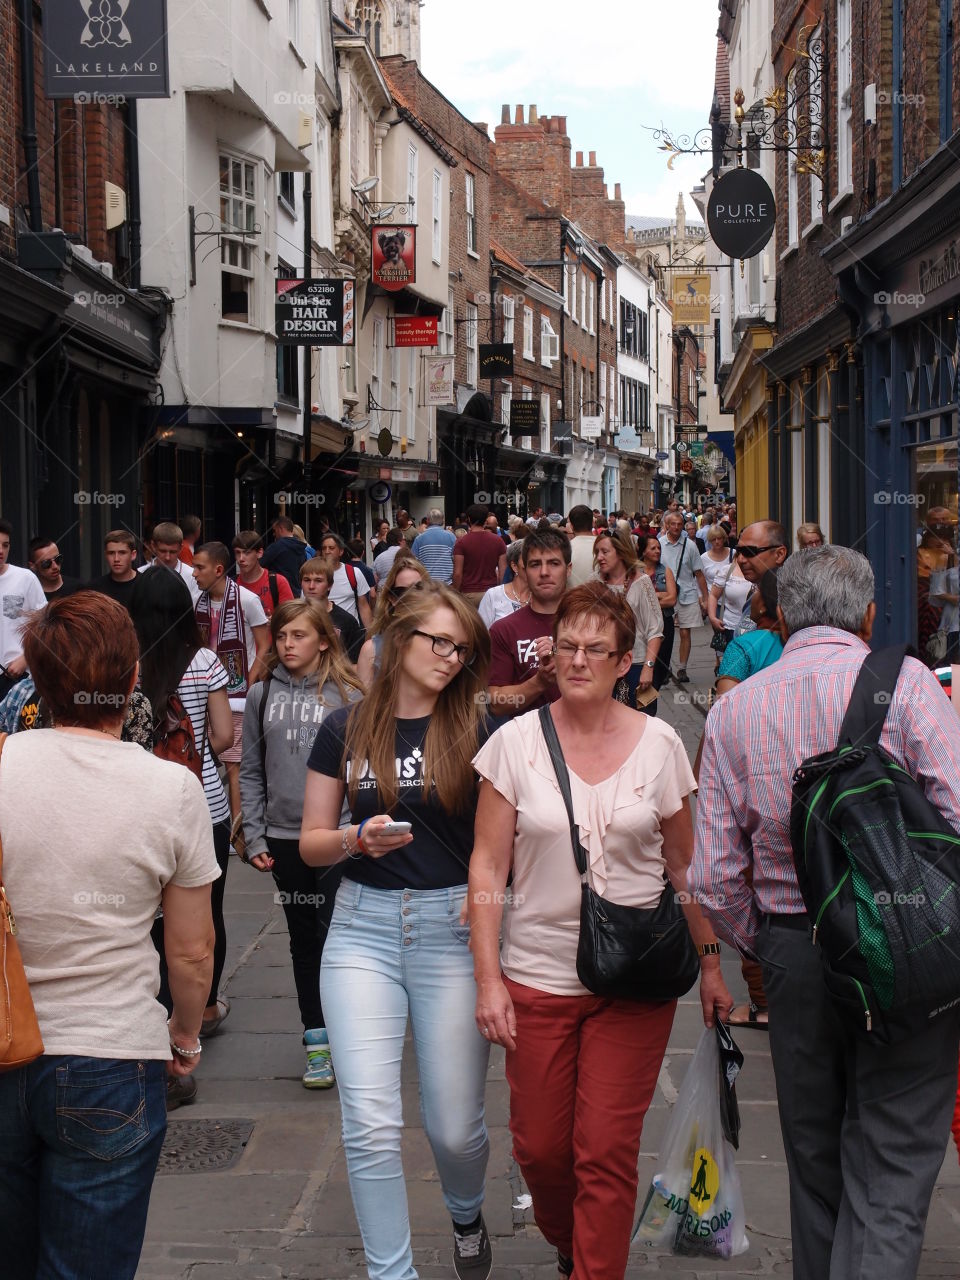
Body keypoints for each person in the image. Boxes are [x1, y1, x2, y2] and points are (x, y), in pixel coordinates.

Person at [692, 545, 960, 1280]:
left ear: (780, 618)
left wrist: (773, 943)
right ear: (869, 613)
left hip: (795, 951)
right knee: (895, 1157)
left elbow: (713, 877)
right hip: (906, 949)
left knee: (813, 1157)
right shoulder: (905, 686)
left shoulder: (735, 709)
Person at [469, 582, 732, 1280]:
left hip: (636, 978)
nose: (577, 659)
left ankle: (593, 1265)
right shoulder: (514, 745)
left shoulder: (662, 744)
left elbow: (685, 863)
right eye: (567, 647)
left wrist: (710, 963)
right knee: (544, 1151)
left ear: (625, 662)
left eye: (595, 649)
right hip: (537, 975)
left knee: (606, 1151)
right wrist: (488, 978)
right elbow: (488, 864)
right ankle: (570, 1240)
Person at [0, 592, 218, 1278]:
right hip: (110, 1058)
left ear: (34, 680)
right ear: (131, 681)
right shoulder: (170, 790)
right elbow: (190, 950)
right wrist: (184, 1038)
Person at [300, 582, 495, 1280]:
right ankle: (394, 1273)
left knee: (454, 1128)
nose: (450, 656)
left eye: (461, 647)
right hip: (361, 932)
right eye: (437, 641)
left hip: (452, 932)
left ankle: (467, 1213)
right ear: (398, 640)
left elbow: (499, 847)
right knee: (371, 1125)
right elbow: (311, 843)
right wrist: (355, 837)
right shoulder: (344, 728)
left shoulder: (478, 730)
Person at [239, 599, 364, 1088]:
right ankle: (317, 1043)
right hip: (283, 837)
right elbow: (250, 769)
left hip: (339, 836)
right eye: (282, 636)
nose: (288, 645)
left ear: (324, 640)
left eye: (299, 635)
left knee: (342, 938)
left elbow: (369, 766)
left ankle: (351, 1035)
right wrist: (253, 834)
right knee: (303, 941)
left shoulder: (350, 692)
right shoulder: (261, 693)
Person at [131, 566, 235, 1061]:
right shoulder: (205, 660)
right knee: (205, 909)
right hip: (203, 802)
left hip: (141, 805)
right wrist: (199, 757)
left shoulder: (128, 663)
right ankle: (204, 1007)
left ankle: (158, 1005)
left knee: (149, 914)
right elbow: (222, 734)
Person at [700, 572, 786, 1032]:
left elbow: (723, 706)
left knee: (752, 881)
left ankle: (765, 999)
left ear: (764, 606)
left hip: (751, 782)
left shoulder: (746, 647)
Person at [192, 543, 270, 836]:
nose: (195, 574)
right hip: (202, 694)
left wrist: (248, 685)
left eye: (200, 568)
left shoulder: (247, 601)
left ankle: (235, 831)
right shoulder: (195, 600)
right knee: (202, 758)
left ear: (218, 570)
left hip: (235, 697)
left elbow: (264, 645)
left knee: (234, 767)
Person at [487, 529, 570, 718]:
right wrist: (540, 682)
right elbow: (496, 703)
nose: (544, 572)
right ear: (524, 571)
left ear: (569, 568)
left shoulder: (589, 624)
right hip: (526, 741)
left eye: (554, 563)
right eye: (534, 565)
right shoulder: (503, 630)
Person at [594, 529, 663, 712]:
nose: (600, 557)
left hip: (636, 666)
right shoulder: (595, 584)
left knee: (641, 725)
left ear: (620, 551)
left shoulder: (642, 583)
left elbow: (655, 630)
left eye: (605, 552)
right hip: (604, 666)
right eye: (597, 552)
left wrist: (648, 667)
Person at [356, 555, 429, 686]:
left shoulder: (444, 642)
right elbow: (364, 703)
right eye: (401, 591)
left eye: (418, 588)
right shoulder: (371, 650)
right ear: (392, 598)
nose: (410, 597)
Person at [657, 512, 708, 683]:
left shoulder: (690, 546)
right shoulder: (660, 545)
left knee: (685, 632)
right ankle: (663, 668)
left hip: (687, 593)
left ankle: (682, 668)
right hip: (665, 594)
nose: (677, 527)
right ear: (667, 525)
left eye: (679, 524)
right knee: (663, 633)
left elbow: (699, 573)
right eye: (673, 524)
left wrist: (705, 598)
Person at [0, 518, 47, 701]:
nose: (1, 551)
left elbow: (44, 624)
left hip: (17, 676)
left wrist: (25, 659)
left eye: (5, 545)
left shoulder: (25, 578)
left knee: (17, 729)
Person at [300, 558, 365, 663]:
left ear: (329, 585)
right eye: (307, 580)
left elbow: (354, 665)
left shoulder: (347, 621)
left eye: (318, 581)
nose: (311, 586)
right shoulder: (292, 617)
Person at [639, 534, 678, 699]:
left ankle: (649, 698)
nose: (657, 551)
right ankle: (646, 702)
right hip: (642, 624)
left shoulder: (665, 571)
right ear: (643, 551)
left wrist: (649, 600)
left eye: (659, 548)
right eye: (653, 548)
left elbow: (672, 599)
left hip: (664, 623)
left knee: (662, 665)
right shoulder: (635, 572)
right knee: (645, 662)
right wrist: (660, 595)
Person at [706, 545, 753, 666]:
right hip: (730, 628)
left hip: (755, 629)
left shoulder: (759, 570)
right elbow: (713, 595)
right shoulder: (727, 571)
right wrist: (712, 617)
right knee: (733, 665)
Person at [452, 504, 507, 607]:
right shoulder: (498, 541)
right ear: (486, 520)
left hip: (468, 593)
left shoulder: (461, 542)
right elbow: (502, 572)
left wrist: (455, 593)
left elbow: (457, 573)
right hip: (491, 593)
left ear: (468, 519)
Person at [232, 531, 295, 617]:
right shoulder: (231, 585)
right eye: (237, 553)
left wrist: (274, 621)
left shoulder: (278, 581)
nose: (241, 558)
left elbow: (290, 617)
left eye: (247, 552)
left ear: (259, 553)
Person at [319, 532, 373, 629]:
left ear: (341, 551)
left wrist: (370, 635)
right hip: (322, 632)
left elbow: (364, 606)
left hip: (350, 634)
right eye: (324, 548)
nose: (327, 551)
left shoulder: (354, 573)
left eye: (331, 548)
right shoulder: (313, 576)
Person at [137, 521, 201, 602]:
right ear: (153, 546)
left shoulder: (192, 576)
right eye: (163, 551)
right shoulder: (140, 573)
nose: (167, 557)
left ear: (181, 548)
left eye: (172, 552)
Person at [477, 541, 530, 629]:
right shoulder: (493, 595)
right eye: (528, 560)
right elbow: (481, 633)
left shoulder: (542, 595)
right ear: (514, 566)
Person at [91, 528, 140, 610]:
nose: (116, 559)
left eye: (122, 553)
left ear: (133, 555)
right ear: (105, 555)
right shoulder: (95, 589)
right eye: (111, 553)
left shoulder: (146, 587)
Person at [261, 515, 308, 596]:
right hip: (297, 593)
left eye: (274, 530)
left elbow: (260, 565)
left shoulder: (277, 546)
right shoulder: (302, 549)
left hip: (279, 593)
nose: (273, 534)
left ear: (281, 529)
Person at [412, 507, 457, 585]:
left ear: (427, 521)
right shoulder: (451, 537)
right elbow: (456, 561)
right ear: (443, 521)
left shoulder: (419, 538)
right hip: (447, 584)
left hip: (427, 585)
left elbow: (413, 562)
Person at [566, 504, 598, 587]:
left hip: (572, 598)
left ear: (571, 526)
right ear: (592, 523)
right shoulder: (605, 547)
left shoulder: (565, 549)